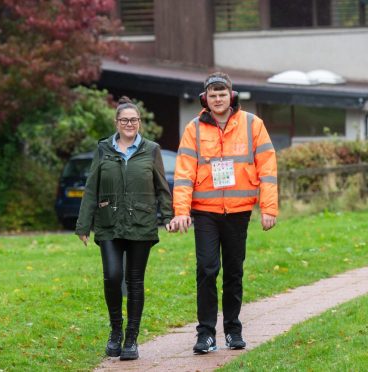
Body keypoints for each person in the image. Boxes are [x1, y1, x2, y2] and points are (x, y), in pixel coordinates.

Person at [167, 72, 278, 354]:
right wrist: (181, 211)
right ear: (206, 99)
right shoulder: (194, 128)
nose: (218, 99)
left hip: (239, 212)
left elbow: (267, 168)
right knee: (206, 269)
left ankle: (232, 330)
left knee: (233, 271)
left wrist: (268, 207)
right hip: (204, 211)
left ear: (232, 95)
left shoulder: (253, 124)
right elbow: (183, 173)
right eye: (212, 95)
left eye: (222, 93)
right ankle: (205, 334)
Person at [75, 96, 173, 360]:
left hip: (141, 224)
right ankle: (115, 331)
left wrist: (168, 217)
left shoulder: (151, 149)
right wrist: (84, 224)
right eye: (124, 120)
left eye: (134, 120)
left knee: (135, 281)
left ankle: (131, 339)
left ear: (139, 122)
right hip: (108, 223)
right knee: (112, 276)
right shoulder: (103, 149)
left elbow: (162, 187)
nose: (129, 124)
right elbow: (91, 188)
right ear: (117, 122)